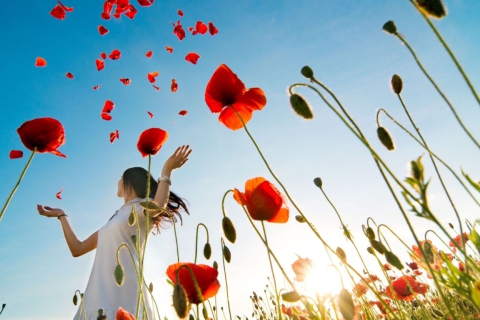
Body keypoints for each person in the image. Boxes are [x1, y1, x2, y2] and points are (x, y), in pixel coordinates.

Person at [37, 145, 192, 320]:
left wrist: (167, 170)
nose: (117, 182)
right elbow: (77, 248)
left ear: (129, 181)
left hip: (125, 295)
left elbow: (159, 205)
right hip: (96, 297)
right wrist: (61, 215)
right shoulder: (115, 219)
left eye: (120, 178)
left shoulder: (142, 206)